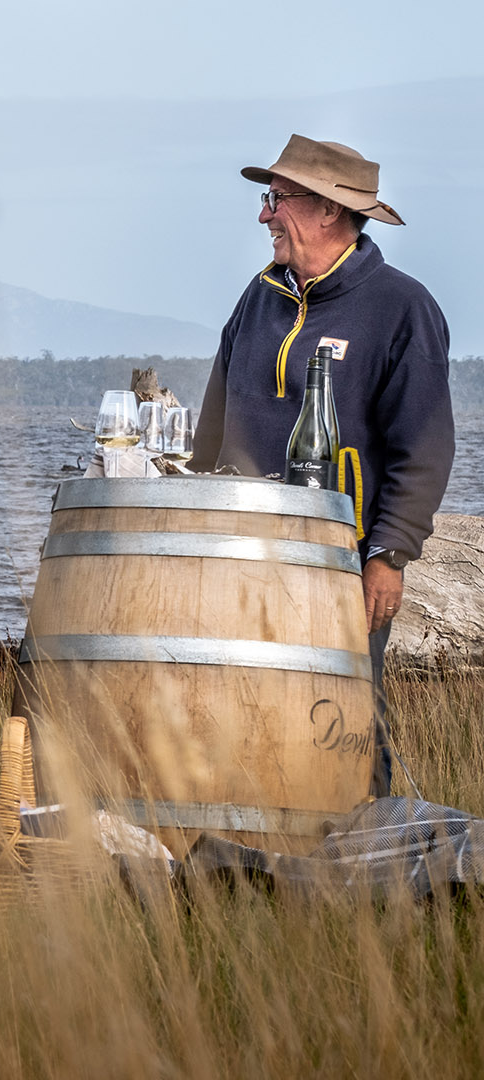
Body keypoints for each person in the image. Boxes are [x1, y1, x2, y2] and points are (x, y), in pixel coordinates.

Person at [189, 134, 455, 795]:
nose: (263, 215)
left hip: (342, 561)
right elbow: (213, 426)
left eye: (274, 200)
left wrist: (389, 554)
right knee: (241, 714)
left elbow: (422, 446)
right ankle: (258, 867)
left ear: (328, 210)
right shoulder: (257, 298)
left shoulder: (403, 308)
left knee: (345, 725)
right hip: (243, 558)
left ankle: (373, 870)